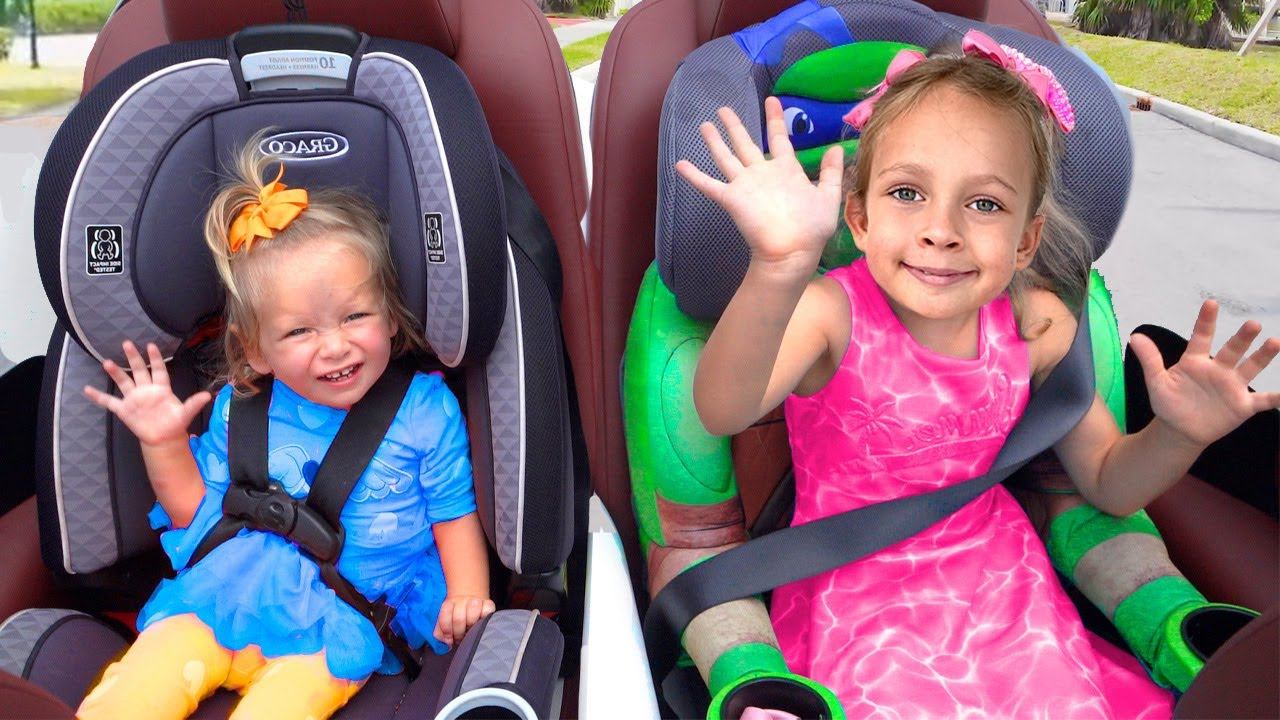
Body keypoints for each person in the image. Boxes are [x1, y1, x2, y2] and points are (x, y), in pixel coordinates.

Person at [682, 31, 1279, 717]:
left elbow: (1109, 484)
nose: (942, 229)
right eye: (907, 192)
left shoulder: (1038, 325)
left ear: (1027, 239)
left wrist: (1178, 435)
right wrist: (778, 268)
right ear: (860, 218)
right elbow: (723, 409)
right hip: (855, 594)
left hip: (1004, 589)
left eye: (985, 204)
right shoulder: (828, 313)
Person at [76, 140, 494, 720]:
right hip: (224, 594)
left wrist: (468, 594)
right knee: (141, 684)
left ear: (391, 318)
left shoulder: (424, 411)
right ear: (256, 350)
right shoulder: (242, 406)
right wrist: (162, 441)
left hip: (338, 621)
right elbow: (195, 513)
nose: (335, 345)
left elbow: (452, 512)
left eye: (356, 316)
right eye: (300, 331)